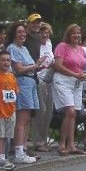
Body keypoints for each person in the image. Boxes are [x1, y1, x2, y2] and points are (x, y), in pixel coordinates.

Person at [6, 22, 45, 164]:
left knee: (28, 118)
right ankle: (18, 151)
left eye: (24, 32)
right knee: (22, 118)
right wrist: (35, 65)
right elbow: (19, 69)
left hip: (31, 82)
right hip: (22, 83)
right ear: (14, 34)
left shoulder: (24, 48)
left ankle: (23, 148)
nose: (22, 34)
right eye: (19, 32)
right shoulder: (12, 48)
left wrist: (38, 65)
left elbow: (29, 67)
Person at [52, 24, 86, 156]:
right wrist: (74, 74)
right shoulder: (62, 46)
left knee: (74, 113)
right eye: (73, 33)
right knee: (70, 111)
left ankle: (71, 145)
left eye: (78, 33)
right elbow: (58, 66)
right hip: (63, 80)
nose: (76, 35)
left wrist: (82, 74)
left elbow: (83, 65)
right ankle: (62, 144)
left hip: (77, 82)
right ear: (68, 34)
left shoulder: (81, 49)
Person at [30, 22, 55, 152]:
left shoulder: (49, 43)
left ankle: (44, 139)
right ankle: (38, 141)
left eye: (46, 32)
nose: (44, 35)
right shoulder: (35, 45)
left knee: (49, 112)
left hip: (50, 79)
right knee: (41, 111)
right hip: (39, 79)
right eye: (42, 32)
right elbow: (33, 63)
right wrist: (41, 66)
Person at [0, 51, 18, 170]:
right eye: (3, 60)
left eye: (8, 60)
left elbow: (15, 92)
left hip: (10, 111)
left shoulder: (12, 76)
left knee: (7, 135)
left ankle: (4, 157)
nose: (6, 62)